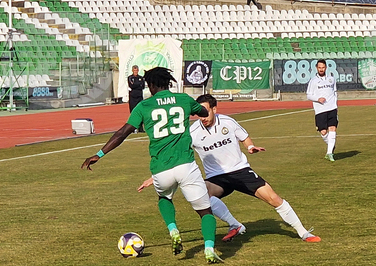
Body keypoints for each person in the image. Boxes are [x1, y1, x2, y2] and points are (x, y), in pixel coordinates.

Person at [80, 67, 224, 264]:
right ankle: (208, 249)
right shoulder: (183, 99)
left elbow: (122, 133)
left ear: (152, 85)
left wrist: (99, 154)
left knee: (164, 197)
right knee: (205, 212)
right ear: (167, 82)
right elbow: (203, 111)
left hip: (161, 169)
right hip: (186, 165)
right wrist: (194, 110)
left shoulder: (143, 106)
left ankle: (173, 230)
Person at [137, 95, 321, 243]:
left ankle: (303, 232)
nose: (203, 117)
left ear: (214, 109)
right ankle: (235, 225)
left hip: (240, 171)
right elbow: (177, 154)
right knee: (201, 194)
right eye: (199, 113)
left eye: (205, 112)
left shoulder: (227, 122)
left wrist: (250, 147)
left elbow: (244, 137)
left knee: (273, 198)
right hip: (217, 177)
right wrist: (155, 176)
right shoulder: (192, 132)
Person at [306, 59, 338, 161]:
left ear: (326, 68)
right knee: (323, 132)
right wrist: (317, 99)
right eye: (319, 67)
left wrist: (335, 103)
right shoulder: (313, 81)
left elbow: (335, 92)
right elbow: (308, 95)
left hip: (332, 108)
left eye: (323, 67)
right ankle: (331, 145)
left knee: (332, 128)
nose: (321, 69)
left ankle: (329, 153)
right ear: (316, 68)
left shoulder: (331, 79)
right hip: (320, 110)